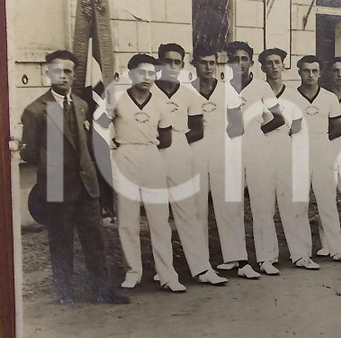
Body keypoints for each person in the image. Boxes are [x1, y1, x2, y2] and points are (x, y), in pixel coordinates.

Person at [18, 50, 129, 305]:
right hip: (58, 185)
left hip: (86, 185)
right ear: (48, 73)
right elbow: (30, 152)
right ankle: (65, 292)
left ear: (74, 75)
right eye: (57, 71)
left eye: (68, 71)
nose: (63, 76)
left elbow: (85, 145)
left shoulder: (81, 105)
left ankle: (103, 290)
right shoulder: (36, 110)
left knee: (95, 240)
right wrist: (53, 164)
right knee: (61, 241)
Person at [108, 53, 185, 292]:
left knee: (159, 220)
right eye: (142, 72)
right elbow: (100, 129)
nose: (147, 78)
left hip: (152, 155)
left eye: (152, 73)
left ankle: (167, 274)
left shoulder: (160, 103)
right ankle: (133, 272)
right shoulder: (117, 99)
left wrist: (148, 151)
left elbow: (166, 138)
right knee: (127, 220)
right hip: (125, 155)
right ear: (131, 74)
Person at [153, 43, 228, 285]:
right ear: (159, 62)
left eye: (176, 62)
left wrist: (176, 142)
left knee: (187, 212)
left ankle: (202, 269)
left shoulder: (188, 95)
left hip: (179, 150)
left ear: (183, 65)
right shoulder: (147, 90)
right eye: (167, 61)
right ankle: (164, 272)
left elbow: (197, 130)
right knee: (157, 215)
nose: (172, 66)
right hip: (151, 151)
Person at [280, 56, 341, 264]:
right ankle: (301, 253)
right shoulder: (289, 97)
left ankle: (337, 249)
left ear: (320, 73)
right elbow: (286, 128)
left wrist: (321, 145)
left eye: (314, 71)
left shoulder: (329, 98)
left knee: (328, 202)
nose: (310, 75)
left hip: (323, 150)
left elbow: (336, 128)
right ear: (299, 72)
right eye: (306, 71)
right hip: (298, 153)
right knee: (299, 204)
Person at [190, 45, 257, 278]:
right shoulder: (186, 91)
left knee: (230, 206)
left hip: (223, 152)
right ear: (194, 63)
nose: (208, 67)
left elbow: (238, 126)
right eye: (203, 62)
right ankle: (200, 264)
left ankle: (238, 259)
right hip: (195, 152)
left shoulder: (227, 90)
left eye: (212, 63)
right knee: (196, 207)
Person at [227, 41, 287, 276]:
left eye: (244, 59)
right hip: (231, 149)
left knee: (262, 204)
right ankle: (235, 257)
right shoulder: (223, 88)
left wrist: (255, 132)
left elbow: (278, 118)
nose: (239, 63)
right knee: (233, 205)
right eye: (234, 59)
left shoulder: (261, 87)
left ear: (251, 62)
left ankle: (266, 257)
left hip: (257, 149)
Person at [258, 47, 320, 269]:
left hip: (287, 150)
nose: (274, 67)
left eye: (278, 62)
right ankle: (266, 257)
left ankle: (301, 254)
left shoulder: (294, 95)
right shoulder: (257, 91)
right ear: (262, 67)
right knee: (264, 206)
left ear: (284, 65)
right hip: (261, 151)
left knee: (294, 204)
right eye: (269, 63)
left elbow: (298, 127)